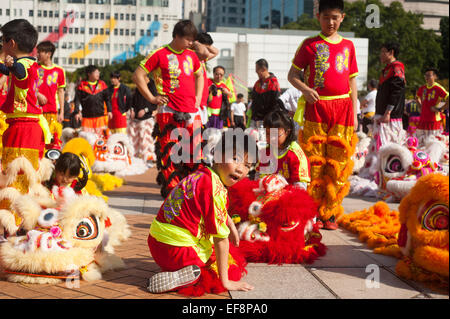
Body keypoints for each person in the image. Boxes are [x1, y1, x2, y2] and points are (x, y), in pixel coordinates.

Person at [147, 131, 256, 295]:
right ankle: (183, 276)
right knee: (213, 272)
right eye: (236, 159)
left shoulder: (203, 174)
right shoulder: (215, 189)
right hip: (175, 250)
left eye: (247, 166)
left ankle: (179, 269)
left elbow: (212, 208)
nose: (240, 169)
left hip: (157, 243)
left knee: (219, 255)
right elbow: (221, 240)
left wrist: (231, 225)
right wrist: (226, 282)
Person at [287, 0, 359, 230]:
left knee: (338, 161)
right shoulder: (309, 45)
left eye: (335, 17)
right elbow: (292, 75)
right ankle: (314, 210)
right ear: (318, 16)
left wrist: (355, 112)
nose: (331, 22)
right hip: (315, 107)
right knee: (314, 160)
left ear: (342, 18)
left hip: (343, 109)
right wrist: (306, 90)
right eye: (326, 17)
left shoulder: (348, 46)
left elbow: (352, 81)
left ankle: (331, 212)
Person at [133, 20, 204, 198]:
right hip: (168, 112)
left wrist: (197, 97)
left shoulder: (191, 55)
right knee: (170, 154)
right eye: (187, 39)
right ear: (177, 36)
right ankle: (173, 194)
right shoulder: (159, 54)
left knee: (194, 154)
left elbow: (200, 75)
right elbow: (138, 75)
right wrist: (151, 98)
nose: (190, 43)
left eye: (192, 40)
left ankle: (192, 192)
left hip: (191, 112)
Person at [0, 19, 48, 185]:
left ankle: (13, 210)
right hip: (24, 125)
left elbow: (20, 73)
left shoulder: (22, 66)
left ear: (11, 43)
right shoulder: (30, 62)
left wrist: (12, 66)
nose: (2, 45)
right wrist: (8, 66)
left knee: (16, 176)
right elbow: (9, 70)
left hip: (23, 128)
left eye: (2, 40)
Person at [257, 110, 310, 189]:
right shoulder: (266, 152)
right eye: (268, 134)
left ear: (287, 132)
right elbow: (259, 176)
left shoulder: (296, 155)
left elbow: (300, 186)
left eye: (275, 135)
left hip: (290, 197)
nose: (271, 138)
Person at [373, 41, 406, 150]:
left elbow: (396, 92)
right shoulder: (388, 69)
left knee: (389, 147)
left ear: (391, 52)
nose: (380, 55)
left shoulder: (396, 68)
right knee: (380, 146)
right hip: (382, 115)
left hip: (390, 117)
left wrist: (388, 112)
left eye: (383, 52)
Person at [36, 41, 66, 141]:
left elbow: (61, 91)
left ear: (48, 54)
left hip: (52, 111)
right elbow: (29, 86)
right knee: (38, 138)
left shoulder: (59, 70)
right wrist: (38, 94)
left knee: (52, 140)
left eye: (40, 52)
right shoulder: (35, 68)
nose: (37, 54)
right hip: (36, 111)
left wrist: (61, 112)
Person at [127, 75, 158, 165]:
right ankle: (135, 158)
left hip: (147, 118)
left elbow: (155, 103)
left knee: (147, 139)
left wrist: (145, 110)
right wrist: (132, 109)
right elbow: (133, 101)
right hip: (136, 118)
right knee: (134, 139)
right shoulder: (139, 87)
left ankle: (149, 158)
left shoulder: (152, 86)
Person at [74, 65, 112, 136]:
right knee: (87, 138)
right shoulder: (82, 85)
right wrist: (76, 112)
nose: (98, 74)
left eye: (98, 72)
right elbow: (77, 100)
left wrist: (109, 110)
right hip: (86, 118)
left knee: (100, 139)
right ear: (89, 74)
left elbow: (108, 99)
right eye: (96, 72)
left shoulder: (102, 84)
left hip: (100, 117)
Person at [192, 32, 219, 127]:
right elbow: (204, 52)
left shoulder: (202, 59)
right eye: (205, 47)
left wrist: (207, 45)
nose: (207, 50)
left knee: (200, 133)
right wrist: (196, 43)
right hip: (195, 102)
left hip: (203, 102)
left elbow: (216, 52)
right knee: (193, 133)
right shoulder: (193, 57)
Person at [416, 67, 449, 138]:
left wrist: (440, 109)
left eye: (429, 75)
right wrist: (420, 106)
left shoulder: (438, 88)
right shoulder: (422, 88)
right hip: (422, 120)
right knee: (420, 142)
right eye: (425, 75)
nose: (426, 77)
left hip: (433, 121)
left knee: (432, 142)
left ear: (435, 77)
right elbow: (417, 97)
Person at [249, 58, 282, 128]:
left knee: (267, 138)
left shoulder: (273, 82)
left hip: (267, 120)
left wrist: (271, 119)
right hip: (255, 119)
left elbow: (276, 103)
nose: (256, 72)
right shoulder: (257, 83)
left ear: (263, 69)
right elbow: (254, 101)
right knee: (253, 137)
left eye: (257, 70)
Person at [207, 65, 232, 130]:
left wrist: (227, 92)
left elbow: (231, 95)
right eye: (217, 74)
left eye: (221, 75)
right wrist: (208, 89)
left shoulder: (223, 85)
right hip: (208, 114)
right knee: (207, 133)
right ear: (213, 74)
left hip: (219, 115)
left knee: (217, 134)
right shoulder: (208, 81)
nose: (219, 76)